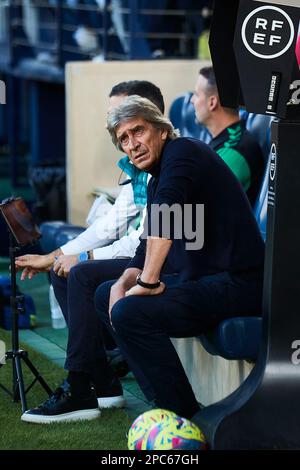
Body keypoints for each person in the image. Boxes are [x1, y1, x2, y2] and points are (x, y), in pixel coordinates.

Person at [92, 95, 265, 420]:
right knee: (106, 295)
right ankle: (163, 405)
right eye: (124, 140)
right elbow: (148, 242)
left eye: (137, 131)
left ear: (160, 129)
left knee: (131, 312)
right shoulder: (161, 172)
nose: (132, 144)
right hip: (206, 280)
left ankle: (184, 418)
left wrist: (148, 281)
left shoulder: (183, 152)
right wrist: (126, 279)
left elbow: (166, 216)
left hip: (241, 283)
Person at [20, 83, 165, 424]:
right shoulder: (142, 162)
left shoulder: (173, 162)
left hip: (170, 266)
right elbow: (114, 225)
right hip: (145, 255)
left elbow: (145, 242)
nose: (125, 137)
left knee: (82, 273)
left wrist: (84, 259)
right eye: (120, 129)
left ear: (154, 119)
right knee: (64, 270)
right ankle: (102, 380)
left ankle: (80, 386)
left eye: (134, 127)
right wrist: (57, 255)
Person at [191, 65, 264, 206]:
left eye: (197, 94)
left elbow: (197, 205)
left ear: (212, 102)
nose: (191, 100)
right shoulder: (224, 143)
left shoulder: (235, 152)